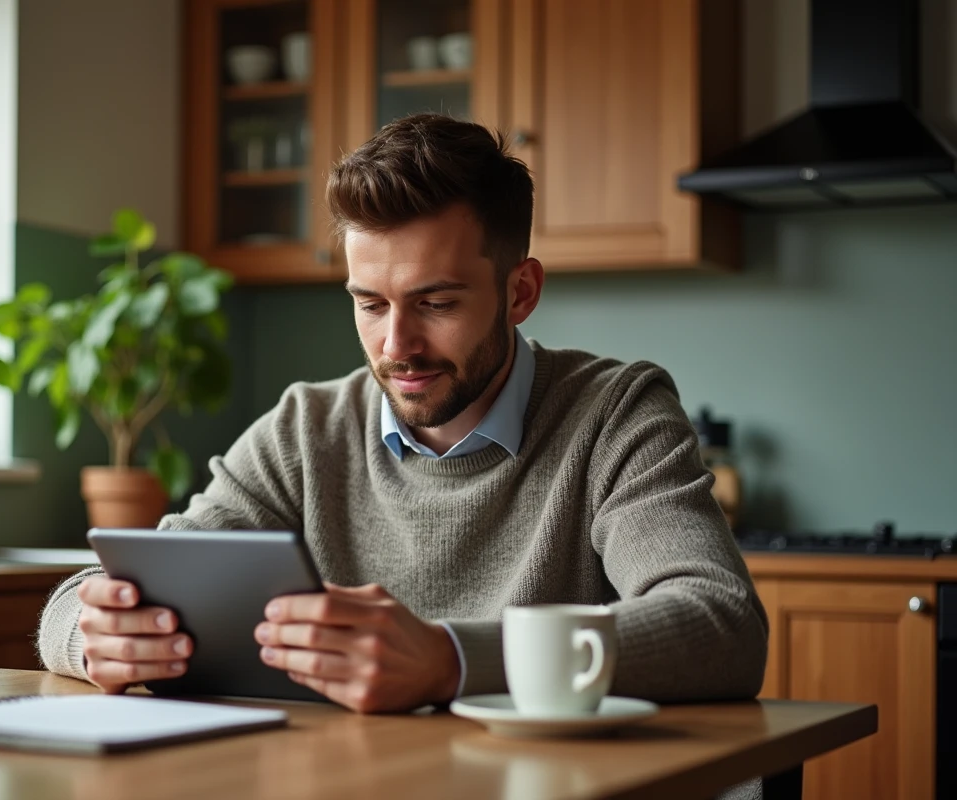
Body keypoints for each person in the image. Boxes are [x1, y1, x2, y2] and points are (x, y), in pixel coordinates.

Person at [37, 112, 768, 717]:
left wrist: (450, 660)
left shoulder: (614, 414)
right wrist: (94, 635)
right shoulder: (305, 430)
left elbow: (720, 623)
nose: (397, 346)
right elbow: (109, 587)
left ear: (519, 293)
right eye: (370, 304)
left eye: (436, 303)